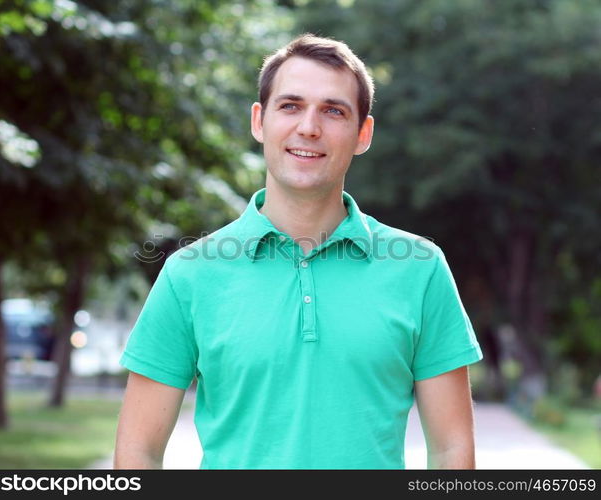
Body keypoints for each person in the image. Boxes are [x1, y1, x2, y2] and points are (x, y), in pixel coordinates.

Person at [114, 34, 483, 470]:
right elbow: (138, 453)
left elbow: (452, 450)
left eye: (333, 110)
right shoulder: (189, 274)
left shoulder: (420, 269)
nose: (309, 127)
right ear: (259, 121)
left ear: (363, 133)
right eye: (290, 106)